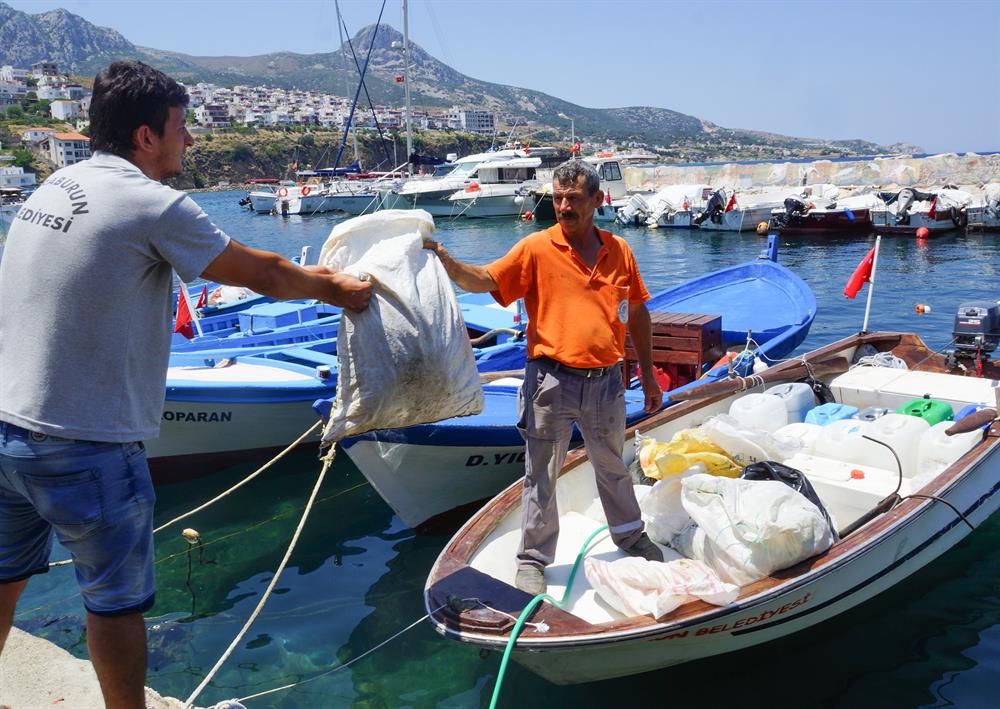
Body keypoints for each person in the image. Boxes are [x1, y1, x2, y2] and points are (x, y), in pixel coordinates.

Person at [0, 60, 371, 708]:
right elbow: (267, 272)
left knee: (2, 577)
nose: (190, 142)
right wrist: (337, 289)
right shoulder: (147, 201)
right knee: (115, 603)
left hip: (7, 427)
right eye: (181, 128)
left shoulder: (54, 189)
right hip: (83, 441)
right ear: (146, 137)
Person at [424, 159, 663, 596]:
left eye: (573, 198)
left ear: (597, 199)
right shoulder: (535, 248)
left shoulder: (620, 250)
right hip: (549, 382)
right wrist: (444, 259)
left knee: (613, 465)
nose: (564, 206)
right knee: (541, 474)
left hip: (607, 381)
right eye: (557, 198)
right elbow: (484, 280)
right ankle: (533, 559)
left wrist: (647, 377)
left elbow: (639, 314)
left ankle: (630, 535)